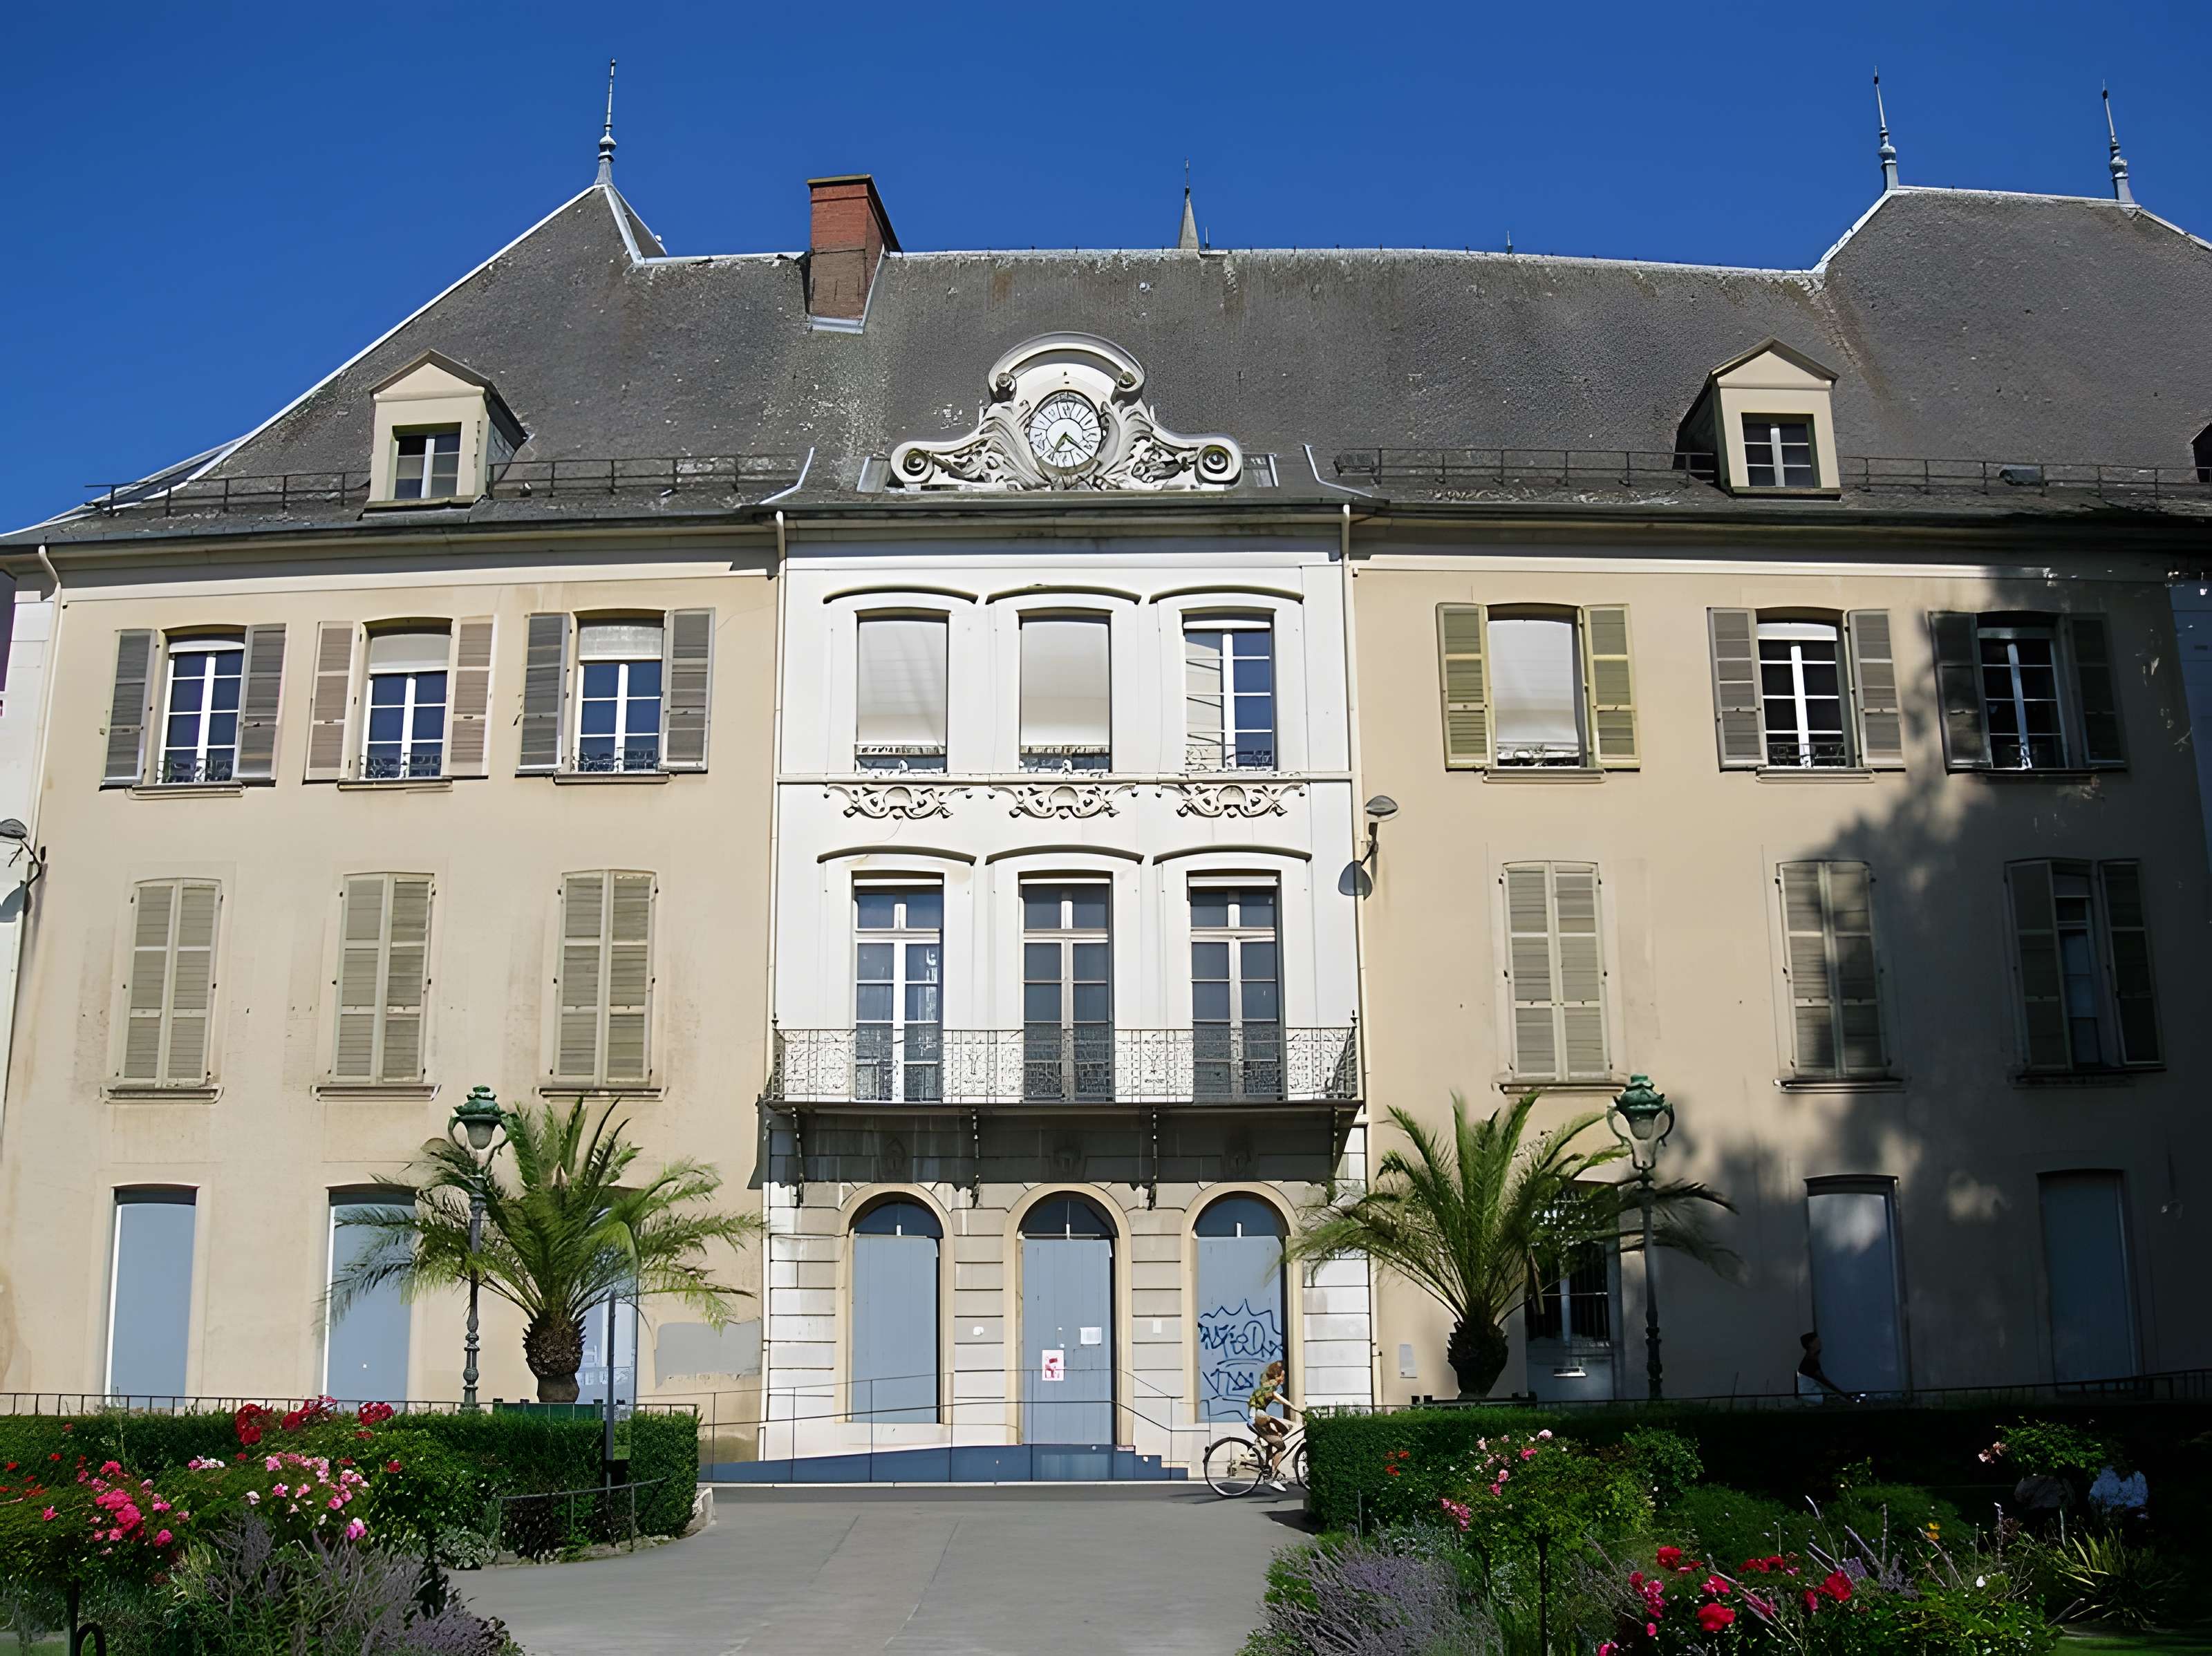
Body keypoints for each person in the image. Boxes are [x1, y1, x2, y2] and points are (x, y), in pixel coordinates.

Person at [1247, 1359, 1302, 1488]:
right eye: (1282, 1376)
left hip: (1257, 1418)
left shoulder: (1265, 1388)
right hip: (1257, 1420)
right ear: (1276, 1377)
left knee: (1283, 1430)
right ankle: (1270, 1476)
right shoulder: (1270, 1390)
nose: (1283, 1380)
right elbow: (1285, 1403)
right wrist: (1300, 1411)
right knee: (1281, 1446)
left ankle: (1268, 1461)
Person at [1795, 1330, 1843, 1398]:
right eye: (1817, 1341)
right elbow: (1823, 1381)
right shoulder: (1810, 1362)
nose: (1820, 1343)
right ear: (1811, 1344)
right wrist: (1840, 1393)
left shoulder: (1811, 1360)